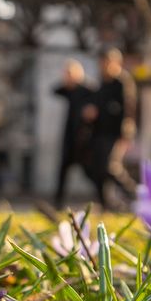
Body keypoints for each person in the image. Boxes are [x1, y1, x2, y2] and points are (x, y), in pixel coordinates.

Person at [85, 48, 134, 209]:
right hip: (99, 132)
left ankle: (135, 195)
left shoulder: (122, 83)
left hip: (115, 133)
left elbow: (126, 109)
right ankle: (105, 203)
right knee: (98, 169)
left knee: (111, 167)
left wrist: (125, 133)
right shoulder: (102, 83)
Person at [52, 59, 96, 208]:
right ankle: (58, 203)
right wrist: (66, 83)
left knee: (91, 171)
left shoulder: (87, 90)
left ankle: (105, 199)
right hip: (69, 137)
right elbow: (54, 90)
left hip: (83, 138)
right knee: (63, 171)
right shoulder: (68, 90)